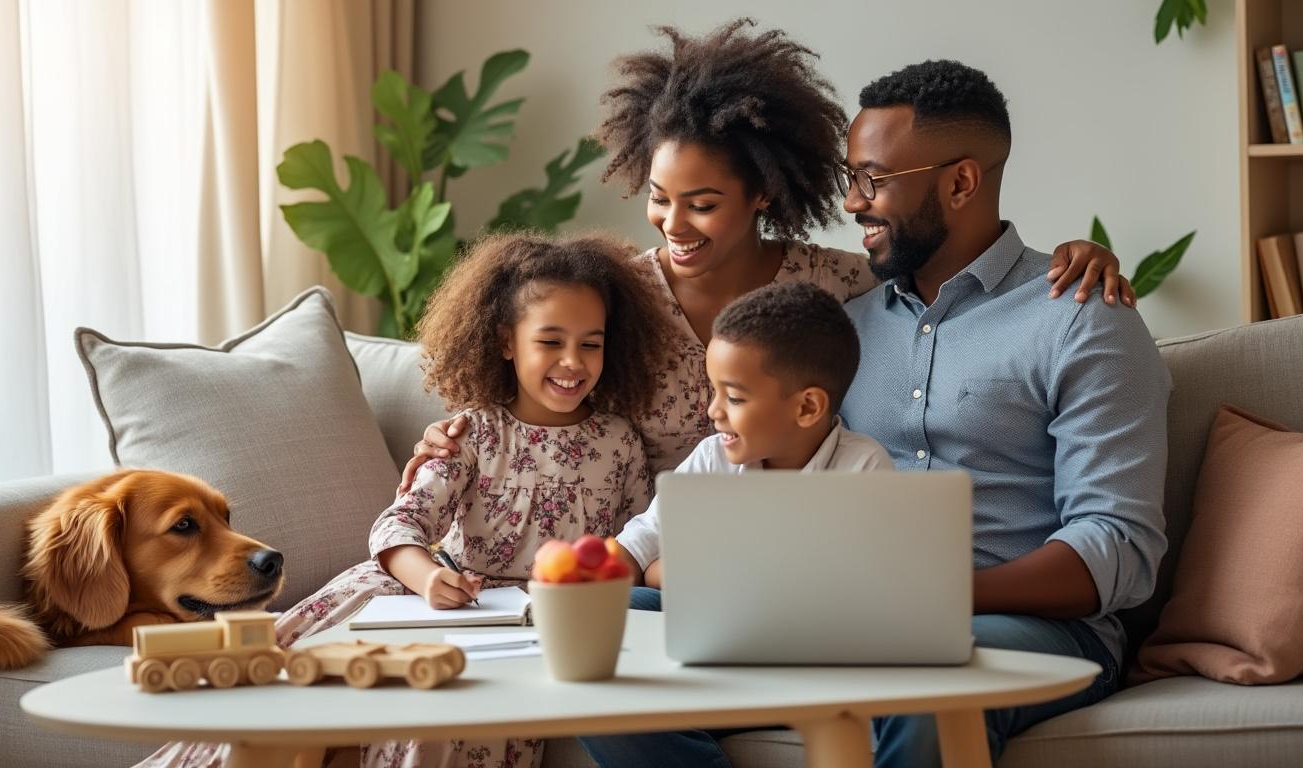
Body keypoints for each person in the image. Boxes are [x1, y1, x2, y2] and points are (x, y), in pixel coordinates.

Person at [399, 18, 1136, 491]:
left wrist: (1078, 255)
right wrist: (462, 432)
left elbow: (951, 275)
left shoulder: (838, 288)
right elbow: (538, 370)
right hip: (642, 553)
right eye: (659, 197)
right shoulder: (615, 293)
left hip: (792, 554)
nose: (672, 225)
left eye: (703, 202)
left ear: (761, 194)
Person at [136, 232, 672, 768]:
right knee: (277, 693)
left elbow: (631, 548)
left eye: (591, 343)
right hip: (440, 597)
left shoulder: (619, 442)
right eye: (550, 342)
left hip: (537, 625)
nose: (572, 362)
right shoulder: (473, 434)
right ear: (507, 341)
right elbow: (399, 524)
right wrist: (428, 579)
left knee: (448, 713)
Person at [837, 59, 1171, 766]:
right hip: (858, 619)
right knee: (621, 629)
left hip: (1037, 633)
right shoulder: (846, 325)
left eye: (873, 181)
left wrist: (933, 598)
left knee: (920, 677)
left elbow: (1117, 549)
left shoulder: (1081, 318)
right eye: (849, 178)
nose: (851, 204)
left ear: (960, 182)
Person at [612, 281, 892, 597]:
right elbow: (647, 537)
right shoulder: (712, 456)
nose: (712, 411)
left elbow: (860, 583)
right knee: (633, 600)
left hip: (810, 628)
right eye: (715, 391)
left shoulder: (864, 467)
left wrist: (683, 571)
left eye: (733, 398)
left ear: (807, 407)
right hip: (710, 609)